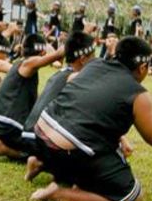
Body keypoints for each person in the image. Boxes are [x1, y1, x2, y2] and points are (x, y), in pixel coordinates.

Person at [30, 37, 152, 201]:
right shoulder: (137, 93)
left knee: (97, 146)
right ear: (142, 68)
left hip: (41, 138)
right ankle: (59, 194)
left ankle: (42, 163)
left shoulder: (93, 65)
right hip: (70, 149)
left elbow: (71, 81)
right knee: (131, 197)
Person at [22, 31, 96, 180]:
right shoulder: (76, 78)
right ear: (82, 59)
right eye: (93, 57)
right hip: (42, 138)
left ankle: (42, 160)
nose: (95, 60)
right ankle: (43, 163)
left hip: (29, 134)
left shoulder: (59, 74)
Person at [0, 33, 65, 160]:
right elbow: (58, 55)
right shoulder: (29, 63)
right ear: (42, 52)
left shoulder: (19, 64)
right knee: (41, 151)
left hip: (0, 123)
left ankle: (3, 142)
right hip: (9, 126)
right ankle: (4, 149)